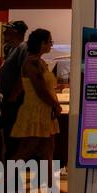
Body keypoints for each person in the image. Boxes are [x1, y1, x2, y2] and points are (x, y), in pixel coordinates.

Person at [10, 28, 61, 169]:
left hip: (44, 111)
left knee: (48, 150)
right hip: (36, 112)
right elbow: (41, 90)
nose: (51, 45)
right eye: (50, 41)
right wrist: (55, 105)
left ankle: (50, 187)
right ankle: (4, 181)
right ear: (42, 43)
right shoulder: (32, 63)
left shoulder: (39, 62)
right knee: (27, 150)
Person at [0, 20, 28, 161]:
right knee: (8, 138)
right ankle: (10, 176)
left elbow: (23, 74)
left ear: (15, 32)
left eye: (7, 30)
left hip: (15, 101)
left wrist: (14, 96)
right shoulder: (13, 49)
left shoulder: (23, 48)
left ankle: (12, 178)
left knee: (13, 139)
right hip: (9, 99)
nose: (4, 33)